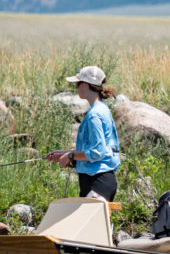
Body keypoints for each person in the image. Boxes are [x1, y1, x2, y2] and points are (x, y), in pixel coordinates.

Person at [45, 65, 121, 201]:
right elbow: (92, 149)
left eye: (78, 83)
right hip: (95, 181)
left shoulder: (94, 115)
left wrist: (71, 155)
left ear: (87, 84)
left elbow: (97, 152)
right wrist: (64, 153)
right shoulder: (102, 109)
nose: (76, 87)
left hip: (98, 182)